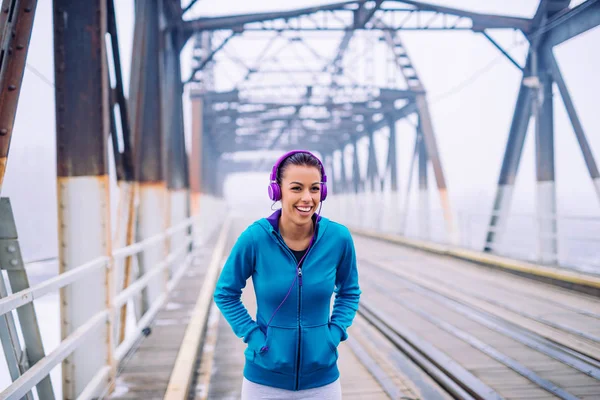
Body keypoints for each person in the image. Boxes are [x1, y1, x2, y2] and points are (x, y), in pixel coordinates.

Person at [213, 150, 361, 399]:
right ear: (277, 190)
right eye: (296, 188)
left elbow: (349, 292)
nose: (307, 198)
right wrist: (255, 338)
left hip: (322, 382)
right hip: (263, 382)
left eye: (315, 189)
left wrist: (334, 333)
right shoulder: (255, 238)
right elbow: (225, 293)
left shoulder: (338, 238)